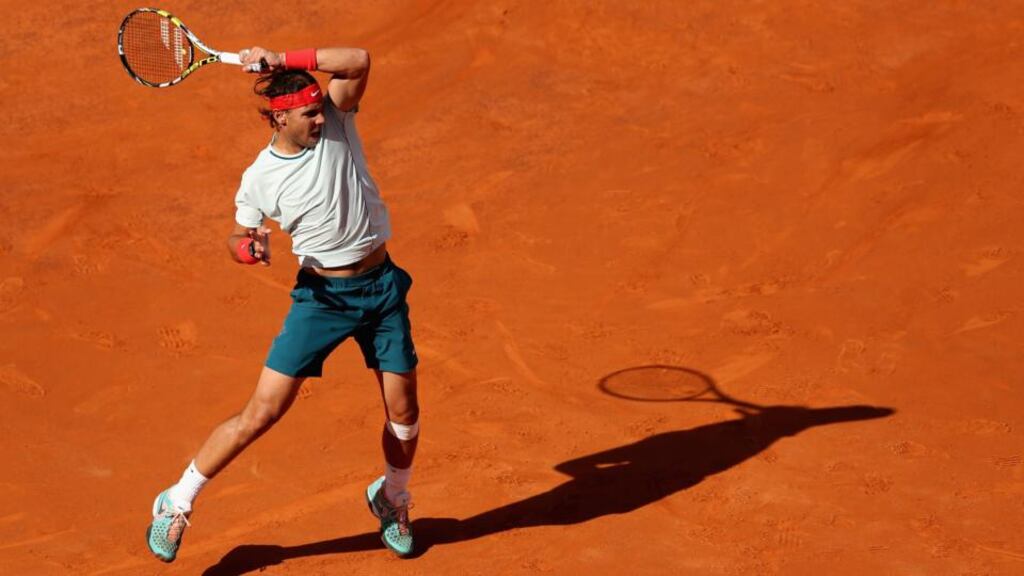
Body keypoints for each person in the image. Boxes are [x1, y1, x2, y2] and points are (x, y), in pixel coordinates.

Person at [145, 45, 421, 562]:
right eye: (309, 113)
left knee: (404, 416)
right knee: (262, 411)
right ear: (279, 118)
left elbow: (358, 58)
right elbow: (239, 232)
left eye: (321, 108)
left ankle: (392, 498)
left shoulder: (339, 122)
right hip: (322, 300)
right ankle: (176, 502)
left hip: (382, 289)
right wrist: (246, 248)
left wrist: (287, 55)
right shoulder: (259, 179)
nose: (323, 116)